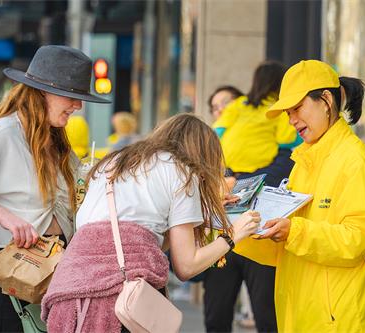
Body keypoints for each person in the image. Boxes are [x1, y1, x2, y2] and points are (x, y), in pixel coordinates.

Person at [0, 45, 109, 332]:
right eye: (71, 96)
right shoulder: (1, 134)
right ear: (42, 92)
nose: (78, 106)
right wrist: (3, 215)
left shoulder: (56, 139)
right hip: (10, 266)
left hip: (52, 267)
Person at [41, 113, 262, 332]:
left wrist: (199, 213)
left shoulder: (114, 162)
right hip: (117, 298)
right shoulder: (183, 173)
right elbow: (186, 266)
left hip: (69, 290)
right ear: (204, 155)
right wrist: (233, 234)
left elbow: (142, 238)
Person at [261, 59, 365, 332]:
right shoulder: (303, 163)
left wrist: (294, 232)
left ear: (326, 99)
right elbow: (286, 244)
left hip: (341, 321)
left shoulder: (356, 161)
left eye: (297, 108)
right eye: (287, 113)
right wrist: (242, 226)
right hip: (301, 316)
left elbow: (359, 238)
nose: (292, 120)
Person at [205, 62, 300, 333]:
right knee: (267, 317)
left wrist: (229, 175)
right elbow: (289, 155)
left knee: (216, 315)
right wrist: (249, 179)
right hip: (261, 226)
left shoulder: (238, 107)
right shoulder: (280, 113)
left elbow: (214, 139)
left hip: (224, 223)